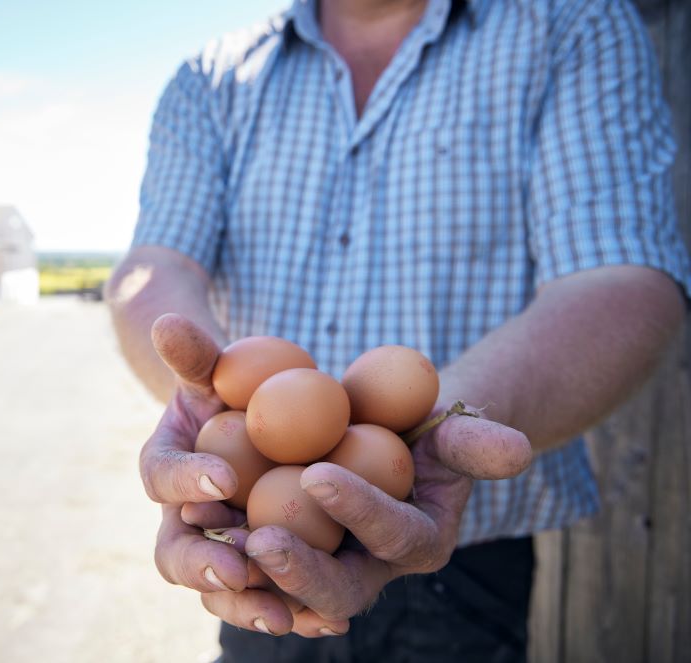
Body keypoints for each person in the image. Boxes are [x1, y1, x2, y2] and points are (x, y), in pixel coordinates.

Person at [105, 0, 691, 660]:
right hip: (259, 539)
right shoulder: (211, 77)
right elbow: (156, 264)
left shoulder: (568, 25)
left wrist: (432, 430)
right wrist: (212, 406)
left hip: (462, 565)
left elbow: (620, 279)